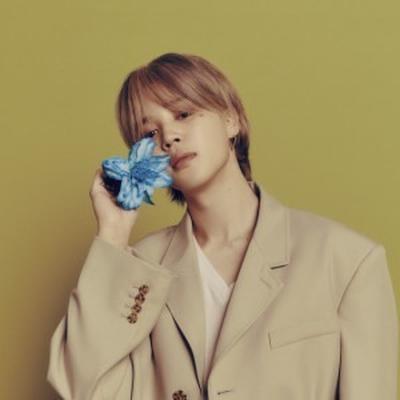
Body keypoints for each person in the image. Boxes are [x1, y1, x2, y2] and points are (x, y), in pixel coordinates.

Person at [46, 53, 398, 400]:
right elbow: (85, 390)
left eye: (183, 114)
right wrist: (112, 234)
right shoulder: (141, 271)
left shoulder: (347, 260)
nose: (168, 137)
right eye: (149, 133)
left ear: (231, 120)